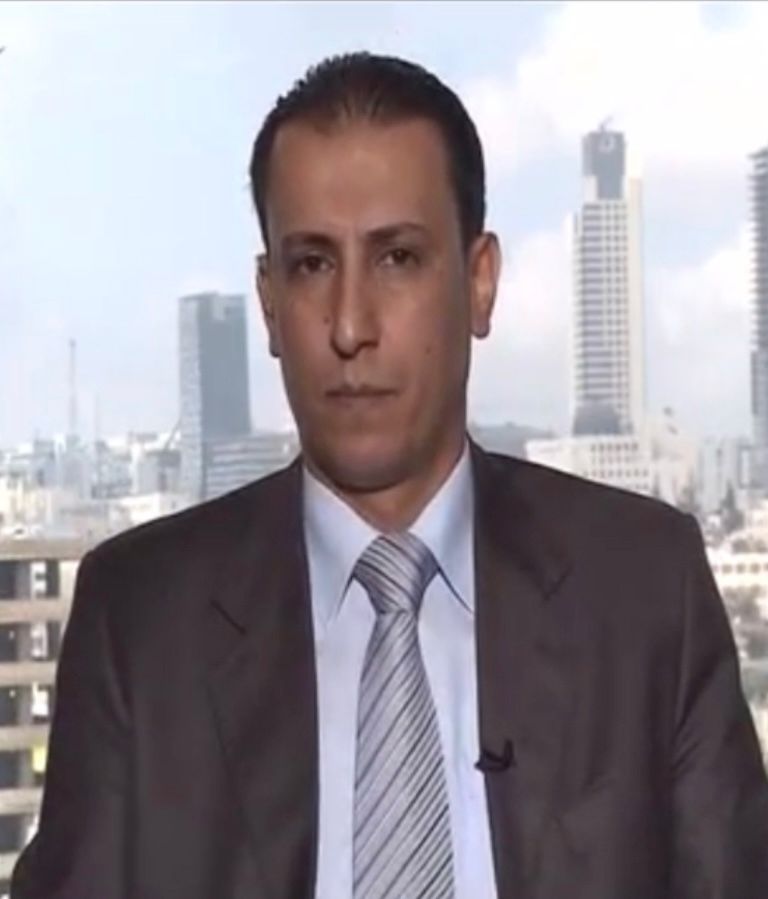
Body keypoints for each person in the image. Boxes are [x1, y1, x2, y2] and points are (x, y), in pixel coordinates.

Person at [10, 52, 768, 899]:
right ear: (269, 302)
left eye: (397, 258)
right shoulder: (141, 621)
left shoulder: (644, 588)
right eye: (312, 264)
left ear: (480, 283)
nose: (350, 326)